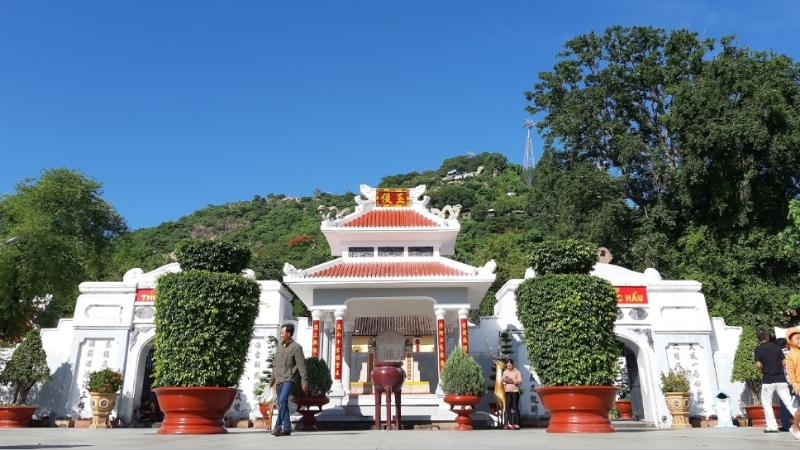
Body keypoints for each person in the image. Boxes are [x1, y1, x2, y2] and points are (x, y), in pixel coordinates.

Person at [268, 323, 308, 437]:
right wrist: (271, 380)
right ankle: (285, 428)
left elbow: (301, 365)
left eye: (282, 333)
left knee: (282, 400)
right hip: (279, 380)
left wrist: (304, 381)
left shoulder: (296, 348)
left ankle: (279, 427)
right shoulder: (280, 347)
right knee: (281, 403)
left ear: (289, 334)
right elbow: (275, 365)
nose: (281, 335)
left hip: (289, 379)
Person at [754, 329, 796, 433]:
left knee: (767, 403)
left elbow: (758, 365)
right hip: (781, 379)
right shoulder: (777, 348)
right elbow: (784, 362)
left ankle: (772, 427)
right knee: (789, 402)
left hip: (768, 379)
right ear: (767, 336)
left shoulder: (758, 350)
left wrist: (764, 369)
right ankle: (798, 423)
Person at [785, 328, 800, 439]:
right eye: (797, 339)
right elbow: (790, 372)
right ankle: (795, 426)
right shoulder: (790, 355)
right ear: (790, 341)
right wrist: (795, 384)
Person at [776, 338, 793, 432]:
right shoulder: (792, 353)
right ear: (786, 344)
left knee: (784, 404)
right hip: (794, 381)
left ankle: (786, 425)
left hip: (782, 381)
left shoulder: (776, 355)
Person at [502, 359, 522, 430]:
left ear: (513, 365)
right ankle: (510, 423)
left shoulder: (517, 372)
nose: (508, 366)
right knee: (508, 407)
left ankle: (517, 424)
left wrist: (514, 380)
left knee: (515, 406)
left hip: (515, 391)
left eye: (510, 365)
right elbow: (502, 380)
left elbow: (520, 381)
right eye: (507, 365)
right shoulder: (505, 372)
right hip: (507, 391)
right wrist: (504, 381)